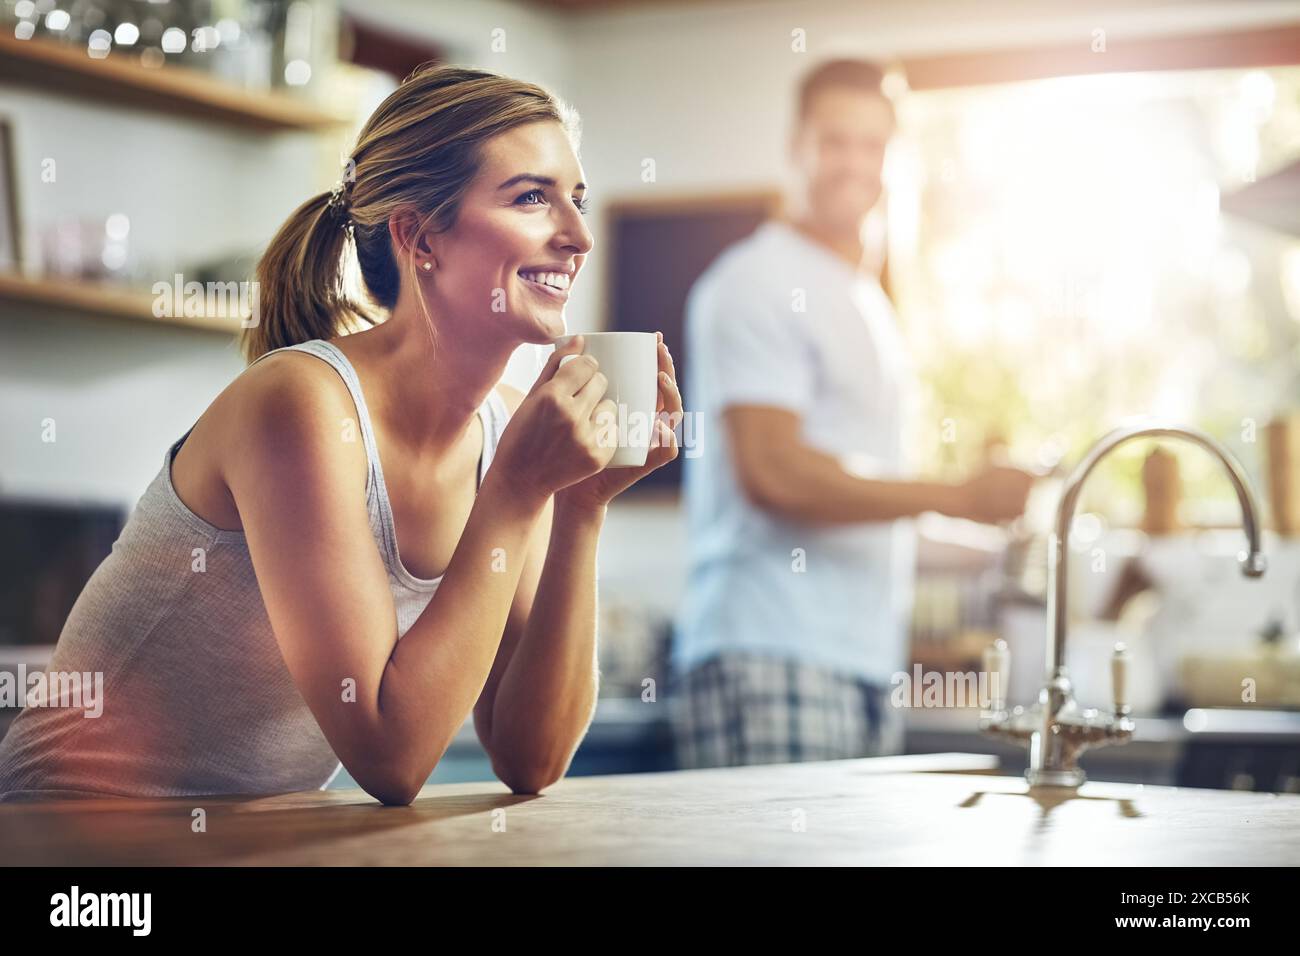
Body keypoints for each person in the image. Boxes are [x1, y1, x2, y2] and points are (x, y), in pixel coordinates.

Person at [0, 65, 682, 804]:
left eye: (576, 202)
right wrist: (518, 490)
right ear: (421, 236)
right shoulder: (300, 405)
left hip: (258, 842)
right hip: (68, 838)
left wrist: (581, 507)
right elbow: (391, 755)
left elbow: (530, 756)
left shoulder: (506, 433)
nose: (579, 236)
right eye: (530, 198)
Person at [671, 59, 1034, 769]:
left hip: (861, 663)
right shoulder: (757, 281)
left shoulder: (867, 300)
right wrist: (960, 492)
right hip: (769, 649)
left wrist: (994, 536)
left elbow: (872, 501)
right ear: (795, 145)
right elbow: (776, 474)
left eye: (873, 145)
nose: (854, 163)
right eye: (834, 141)